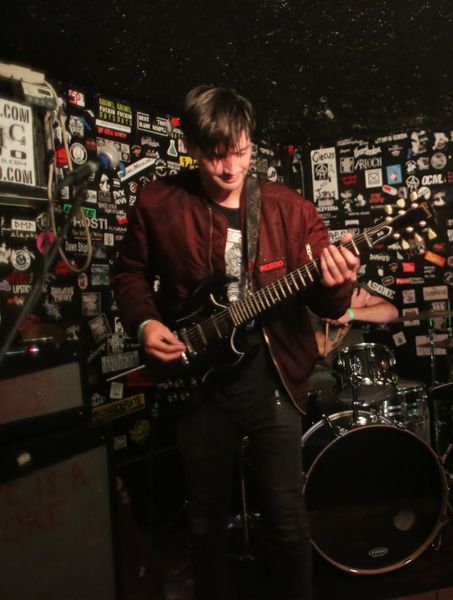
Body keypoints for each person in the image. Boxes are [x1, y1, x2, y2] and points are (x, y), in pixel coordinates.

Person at [112, 85, 360, 599]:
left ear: (251, 142)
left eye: (241, 151)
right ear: (192, 147)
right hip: (199, 380)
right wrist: (144, 324)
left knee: (287, 517)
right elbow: (129, 274)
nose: (230, 168)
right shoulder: (158, 202)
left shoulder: (290, 209)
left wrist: (339, 281)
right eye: (215, 155)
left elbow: (329, 305)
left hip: (273, 376)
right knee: (204, 519)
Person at [307, 284, 399, 415]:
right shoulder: (308, 298)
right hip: (323, 374)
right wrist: (348, 316)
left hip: (356, 374)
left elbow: (391, 312)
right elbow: (323, 348)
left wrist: (351, 313)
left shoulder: (350, 289)